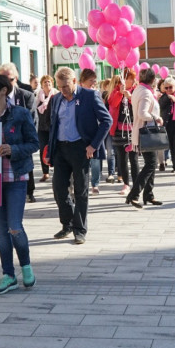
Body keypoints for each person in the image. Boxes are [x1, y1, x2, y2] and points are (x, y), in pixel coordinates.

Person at [0, 73, 39, 294]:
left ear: (4, 90)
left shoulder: (20, 113)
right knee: (1, 231)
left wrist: (13, 149)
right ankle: (8, 275)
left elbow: (34, 143)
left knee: (14, 227)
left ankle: (26, 267)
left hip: (15, 178)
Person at [48, 67, 112, 244]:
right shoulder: (56, 99)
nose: (63, 90)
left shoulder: (89, 96)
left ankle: (80, 229)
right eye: (59, 86)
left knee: (80, 190)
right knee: (59, 189)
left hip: (80, 148)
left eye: (66, 86)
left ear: (74, 81)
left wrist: (94, 145)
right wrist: (49, 148)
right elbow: (53, 125)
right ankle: (67, 223)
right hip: (61, 148)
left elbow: (107, 121)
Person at [0, 63, 38, 203]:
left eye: (10, 79)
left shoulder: (26, 96)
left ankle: (28, 192)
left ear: (16, 78)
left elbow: (33, 122)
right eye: (2, 79)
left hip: (21, 143)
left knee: (24, 168)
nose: (6, 83)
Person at [126, 68, 164, 208]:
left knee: (151, 163)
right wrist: (156, 117)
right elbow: (142, 113)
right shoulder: (146, 93)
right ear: (153, 80)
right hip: (146, 132)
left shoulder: (139, 90)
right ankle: (134, 194)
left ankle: (148, 194)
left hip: (143, 131)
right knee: (151, 164)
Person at [108, 72, 138, 197]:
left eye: (132, 79)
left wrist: (130, 97)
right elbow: (112, 103)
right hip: (119, 130)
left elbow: (139, 106)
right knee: (122, 158)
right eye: (128, 78)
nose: (131, 81)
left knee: (134, 158)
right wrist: (120, 93)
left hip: (133, 129)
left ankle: (136, 184)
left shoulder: (136, 91)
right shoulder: (116, 90)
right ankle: (126, 184)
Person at [35, 75, 57, 182]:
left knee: (55, 148)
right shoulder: (38, 96)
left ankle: (57, 170)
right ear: (42, 85)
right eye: (45, 82)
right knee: (42, 148)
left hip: (53, 127)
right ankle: (45, 173)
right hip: (42, 127)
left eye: (49, 82)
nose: (47, 84)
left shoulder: (56, 95)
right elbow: (34, 110)